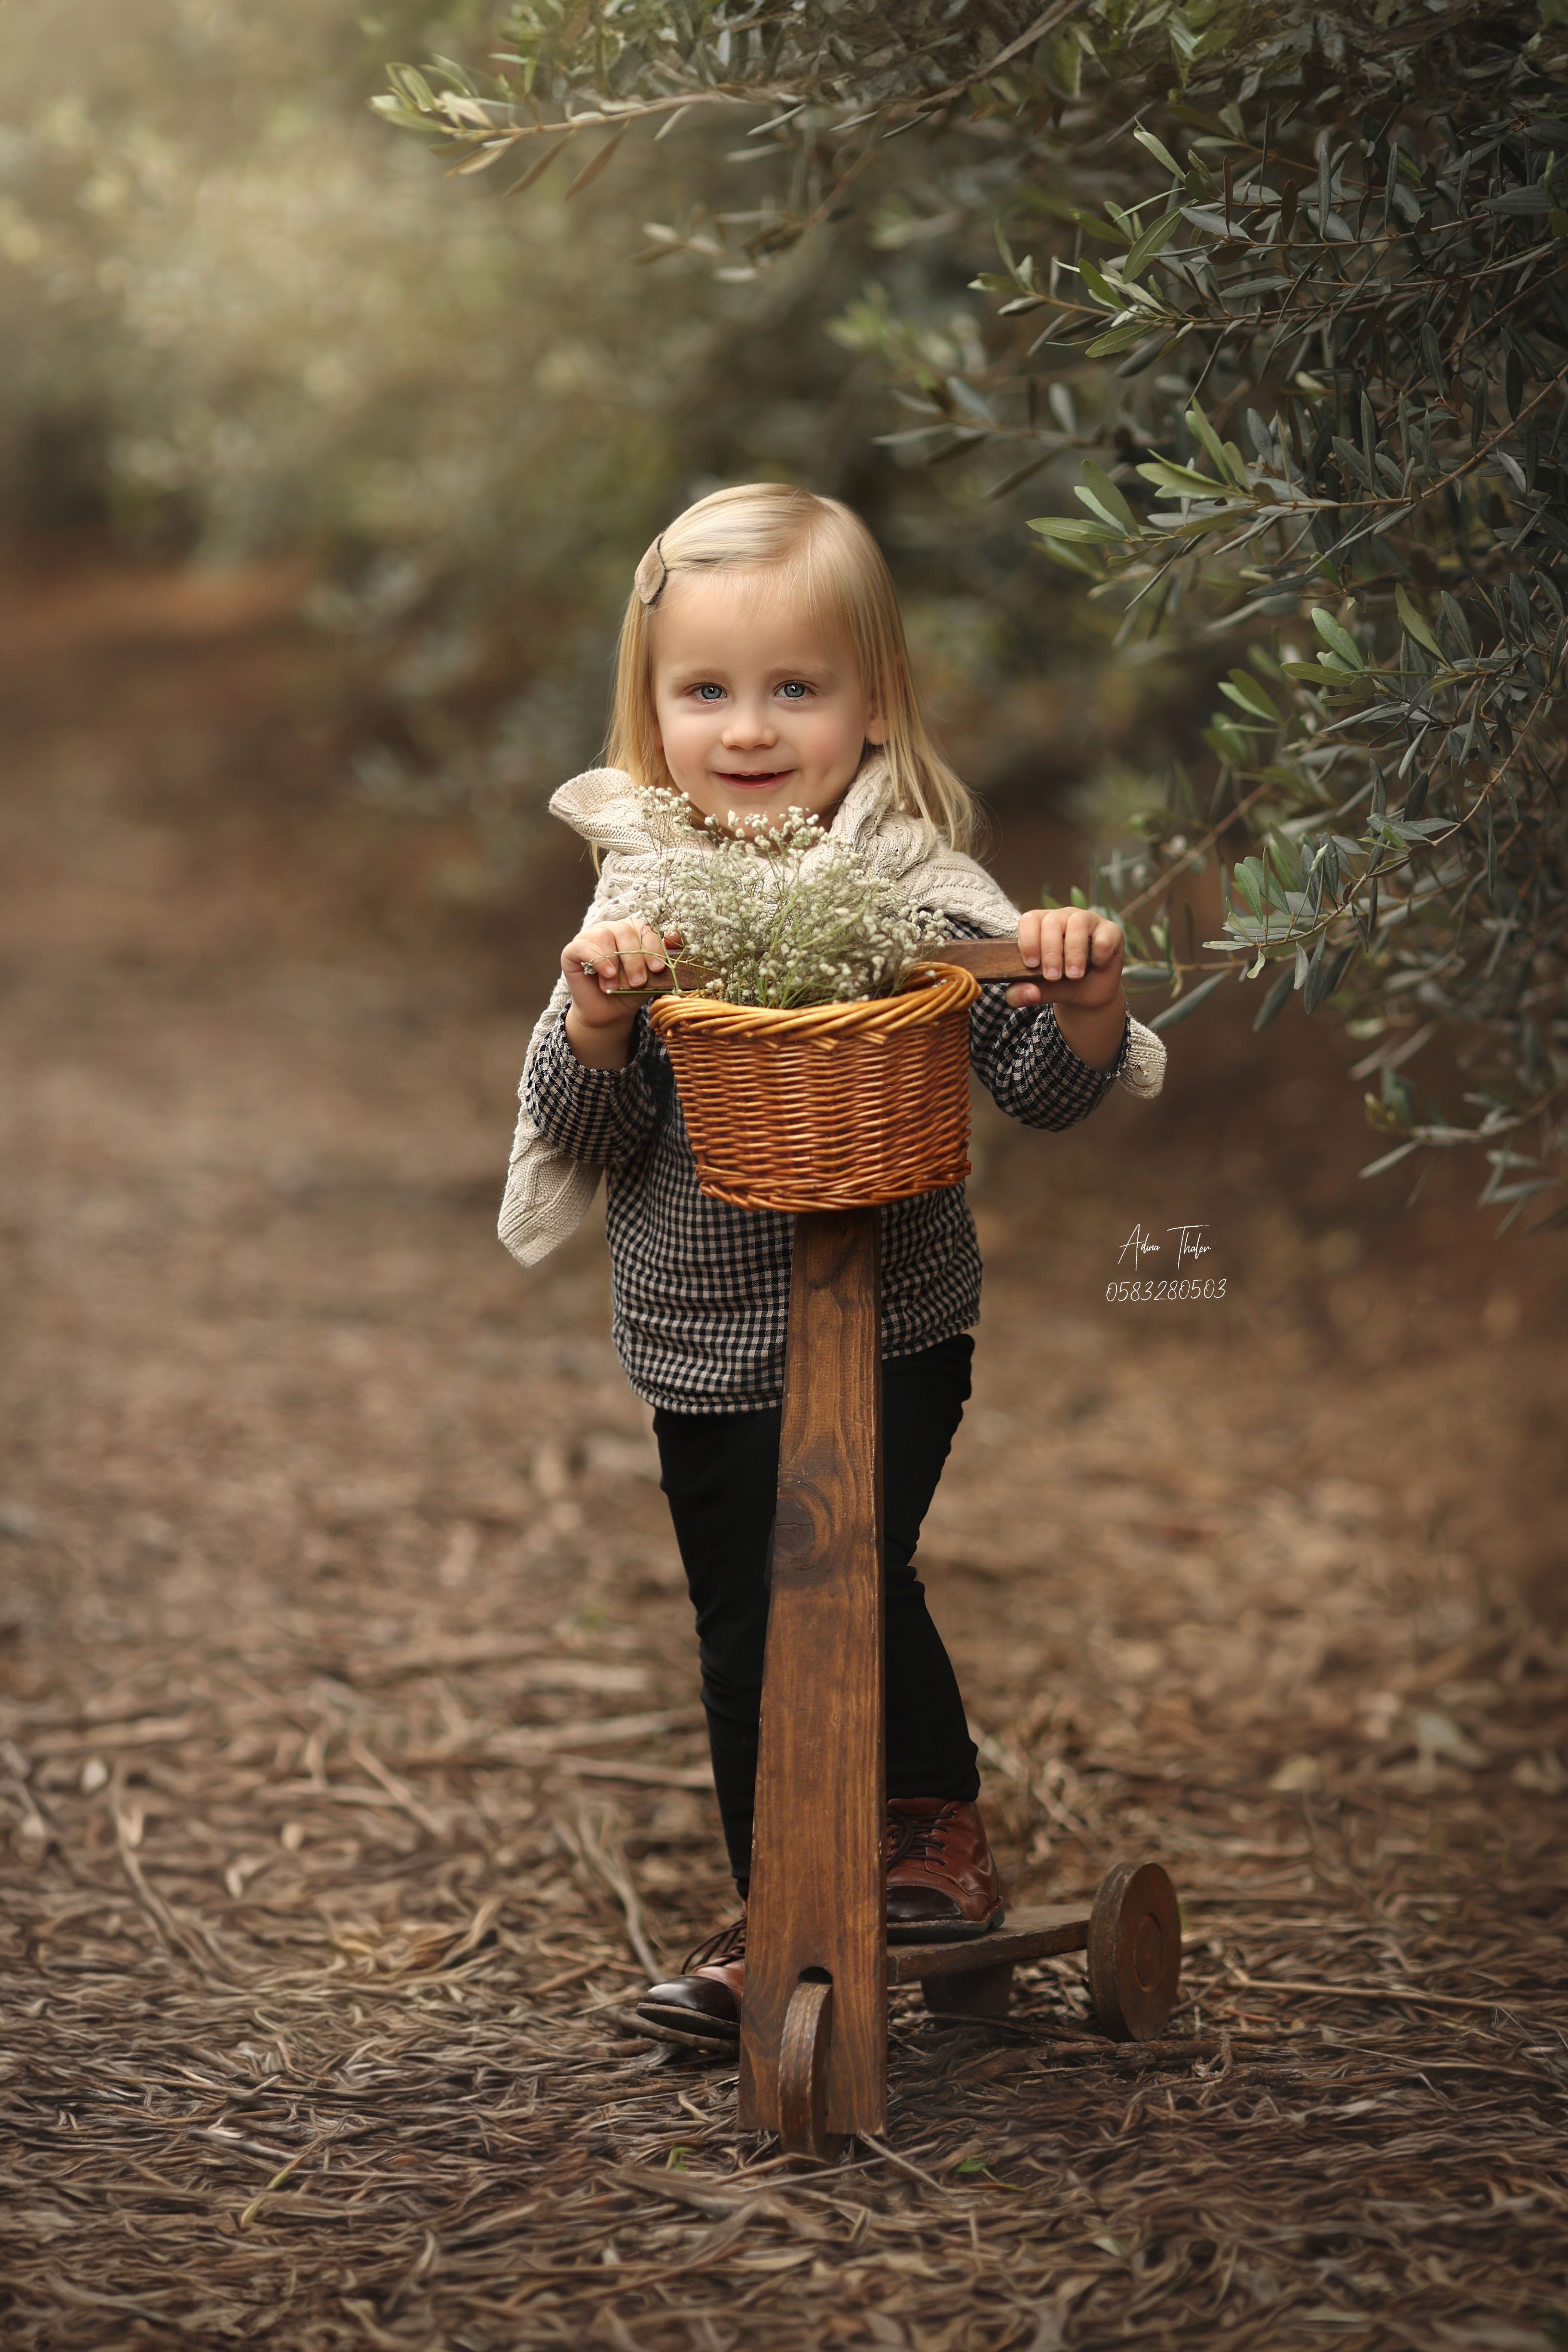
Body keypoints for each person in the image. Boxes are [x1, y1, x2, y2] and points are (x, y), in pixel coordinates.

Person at [500, 483, 1165, 2043]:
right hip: (706, 1333)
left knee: (852, 1568)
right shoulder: (642, 900)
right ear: (651, 708)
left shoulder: (919, 881)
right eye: (707, 690)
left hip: (899, 1318)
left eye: (795, 687)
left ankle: (927, 1834)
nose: (749, 727)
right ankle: (784, 1897)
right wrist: (601, 1019)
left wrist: (1076, 998)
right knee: (752, 1612)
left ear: (872, 707)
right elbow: (571, 1120)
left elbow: (1047, 1091)